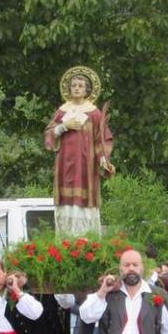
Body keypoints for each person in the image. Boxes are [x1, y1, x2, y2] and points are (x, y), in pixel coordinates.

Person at [44, 65, 113, 235]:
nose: (76, 88)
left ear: (87, 90)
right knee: (66, 203)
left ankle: (87, 240)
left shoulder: (94, 113)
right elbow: (49, 134)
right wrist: (64, 126)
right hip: (65, 164)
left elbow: (101, 140)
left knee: (85, 200)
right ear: (69, 88)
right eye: (74, 85)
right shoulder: (62, 112)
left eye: (80, 85)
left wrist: (104, 160)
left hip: (86, 166)